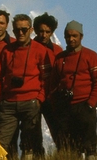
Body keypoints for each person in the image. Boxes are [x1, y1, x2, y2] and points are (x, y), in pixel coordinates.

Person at [0, 14, 47, 159]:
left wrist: (39, 98)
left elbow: (46, 78)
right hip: (9, 103)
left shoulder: (40, 50)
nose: (20, 33)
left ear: (31, 30)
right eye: (17, 30)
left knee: (29, 143)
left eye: (24, 29)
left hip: (31, 102)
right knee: (0, 142)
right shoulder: (7, 50)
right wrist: (0, 97)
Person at [49, 20, 97, 160]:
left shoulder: (91, 56)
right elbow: (52, 83)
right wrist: (56, 103)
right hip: (65, 108)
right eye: (68, 36)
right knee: (68, 147)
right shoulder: (60, 58)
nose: (71, 39)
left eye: (74, 36)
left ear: (81, 36)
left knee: (89, 147)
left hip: (85, 106)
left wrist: (90, 103)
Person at [32, 12, 63, 144]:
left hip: (52, 98)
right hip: (34, 96)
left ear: (52, 32)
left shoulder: (57, 51)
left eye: (47, 32)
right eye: (41, 31)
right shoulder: (29, 48)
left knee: (58, 132)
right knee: (33, 134)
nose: (43, 35)